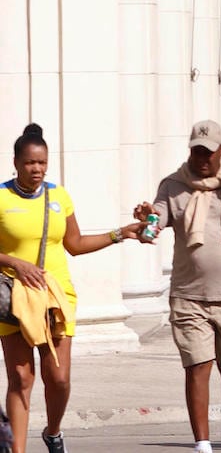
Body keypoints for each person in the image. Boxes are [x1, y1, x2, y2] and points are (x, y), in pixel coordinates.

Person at [1, 124, 148, 453]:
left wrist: (120, 233)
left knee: (59, 379)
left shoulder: (59, 197)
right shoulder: (1, 197)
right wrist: (17, 263)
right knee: (21, 379)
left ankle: (53, 433)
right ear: (16, 162)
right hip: (14, 299)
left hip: (55, 300)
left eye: (42, 163)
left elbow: (75, 243)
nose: (36, 169)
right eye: (29, 163)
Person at [134, 120, 221, 453]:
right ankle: (202, 445)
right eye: (196, 151)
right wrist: (146, 222)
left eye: (208, 152)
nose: (202, 158)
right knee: (198, 366)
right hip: (188, 296)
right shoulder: (173, 185)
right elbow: (154, 223)